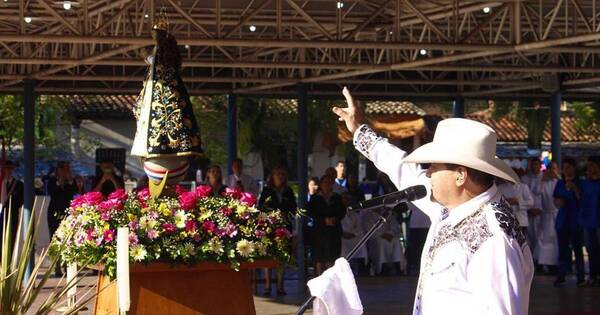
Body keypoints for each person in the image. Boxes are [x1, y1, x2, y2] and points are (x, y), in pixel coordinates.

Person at [333, 87, 533, 314]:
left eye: (433, 166)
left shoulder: (494, 239)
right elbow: (401, 168)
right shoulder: (456, 205)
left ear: (460, 175)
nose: (427, 173)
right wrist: (359, 130)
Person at [258, 166, 297, 296]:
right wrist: (272, 215)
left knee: (282, 256)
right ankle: (268, 285)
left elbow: (294, 208)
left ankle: (280, 286)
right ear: (272, 176)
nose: (279, 176)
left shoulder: (289, 191)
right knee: (269, 255)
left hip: (285, 226)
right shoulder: (267, 190)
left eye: (282, 174)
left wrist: (286, 214)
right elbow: (261, 207)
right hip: (270, 227)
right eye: (277, 174)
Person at [553, 158, 585, 286]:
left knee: (577, 249)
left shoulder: (580, 183)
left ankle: (581, 276)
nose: (567, 170)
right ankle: (561, 275)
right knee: (562, 249)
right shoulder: (560, 183)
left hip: (576, 220)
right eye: (565, 167)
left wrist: (574, 188)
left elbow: (582, 199)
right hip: (562, 220)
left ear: (574, 168)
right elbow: (555, 199)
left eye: (569, 167)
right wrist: (558, 202)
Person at [307, 174, 346, 276]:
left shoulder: (337, 197)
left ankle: (332, 282)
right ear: (321, 184)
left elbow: (342, 211)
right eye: (325, 183)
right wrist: (324, 220)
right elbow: (311, 213)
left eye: (329, 183)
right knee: (320, 259)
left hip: (334, 232)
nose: (327, 185)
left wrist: (335, 219)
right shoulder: (315, 198)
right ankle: (321, 281)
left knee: (333, 258)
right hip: (319, 232)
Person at [47, 161, 78, 277]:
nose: (66, 171)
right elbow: (53, 193)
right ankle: (57, 266)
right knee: (55, 238)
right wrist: (60, 180)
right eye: (64, 169)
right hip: (55, 211)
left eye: (67, 169)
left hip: (67, 211)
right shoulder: (52, 181)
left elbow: (74, 191)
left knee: (68, 237)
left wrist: (69, 179)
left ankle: (67, 264)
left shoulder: (70, 180)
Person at [363, 207, 406, 275]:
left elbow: (394, 226)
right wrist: (381, 235)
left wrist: (390, 234)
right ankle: (381, 267)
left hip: (389, 237)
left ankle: (398, 266)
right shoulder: (368, 215)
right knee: (381, 242)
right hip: (376, 238)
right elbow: (368, 228)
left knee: (396, 242)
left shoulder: (388, 213)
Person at [536, 160, 560, 272]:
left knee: (555, 240)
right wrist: (542, 180)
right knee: (543, 239)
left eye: (554, 169)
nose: (552, 171)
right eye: (550, 169)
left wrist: (557, 177)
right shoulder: (543, 181)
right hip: (546, 214)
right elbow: (536, 191)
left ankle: (554, 264)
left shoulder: (559, 182)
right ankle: (542, 263)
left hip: (556, 214)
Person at [579, 157, 600, 285]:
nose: (590, 169)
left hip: (598, 220)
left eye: (593, 166)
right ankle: (593, 275)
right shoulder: (585, 183)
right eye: (589, 167)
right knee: (590, 249)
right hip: (588, 220)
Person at [340, 192, 368, 275]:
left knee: (361, 243)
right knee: (342, 244)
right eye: (345, 199)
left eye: (349, 199)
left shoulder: (355, 214)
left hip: (353, 236)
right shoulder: (337, 212)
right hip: (341, 236)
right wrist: (343, 234)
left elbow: (359, 228)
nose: (347, 201)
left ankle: (359, 269)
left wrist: (353, 234)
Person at [521, 158, 544, 255]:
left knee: (541, 236)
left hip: (542, 212)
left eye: (536, 165)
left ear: (540, 166)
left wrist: (541, 209)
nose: (534, 167)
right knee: (529, 237)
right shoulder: (524, 179)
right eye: (532, 165)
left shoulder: (544, 178)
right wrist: (529, 209)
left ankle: (540, 259)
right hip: (528, 212)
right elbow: (522, 196)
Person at [0, 160, 24, 244]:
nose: (8, 171)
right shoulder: (1, 183)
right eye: (6, 168)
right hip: (1, 216)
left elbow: (21, 200)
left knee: (11, 240)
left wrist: (11, 205)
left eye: (10, 168)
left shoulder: (19, 184)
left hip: (12, 216)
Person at [406, 202, 430, 276]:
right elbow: (409, 206)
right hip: (415, 225)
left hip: (427, 224)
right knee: (415, 248)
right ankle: (415, 267)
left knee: (425, 247)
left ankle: (425, 268)